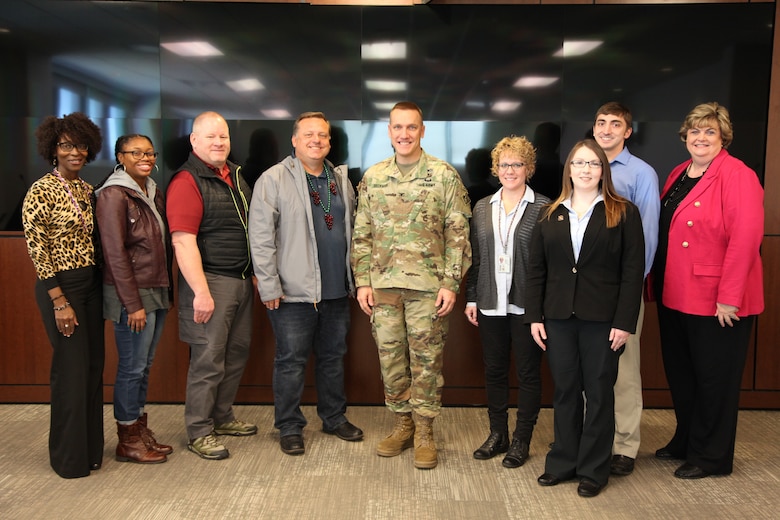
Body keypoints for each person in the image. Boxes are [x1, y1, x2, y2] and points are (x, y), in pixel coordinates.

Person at [351, 101, 472, 470]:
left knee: (426, 362)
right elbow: (362, 233)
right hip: (383, 287)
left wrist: (451, 282)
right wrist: (361, 282)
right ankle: (402, 424)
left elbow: (458, 233)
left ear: (422, 131)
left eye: (411, 127)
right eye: (397, 127)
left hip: (427, 288)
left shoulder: (443, 175)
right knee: (391, 360)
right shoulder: (373, 177)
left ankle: (424, 431)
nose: (404, 134)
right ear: (389, 131)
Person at [652, 102, 764, 479]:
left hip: (717, 299)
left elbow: (746, 238)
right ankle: (687, 440)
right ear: (685, 136)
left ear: (723, 137)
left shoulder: (738, 175)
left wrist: (729, 296)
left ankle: (711, 456)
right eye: (695, 131)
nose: (701, 138)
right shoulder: (679, 172)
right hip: (676, 293)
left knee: (714, 380)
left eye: (709, 132)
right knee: (684, 376)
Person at [527, 139, 644, 497]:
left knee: (598, 393)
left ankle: (594, 469)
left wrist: (624, 323)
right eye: (579, 163)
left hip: (604, 322)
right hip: (559, 318)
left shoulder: (622, 212)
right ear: (569, 169)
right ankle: (563, 462)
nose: (586, 169)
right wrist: (535, 316)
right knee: (564, 392)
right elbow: (536, 271)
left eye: (593, 163)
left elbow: (632, 272)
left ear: (602, 170)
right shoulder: (551, 213)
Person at [249, 112, 363, 456]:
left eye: (323, 136)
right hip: (291, 294)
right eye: (309, 135)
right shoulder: (272, 179)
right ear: (295, 140)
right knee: (291, 361)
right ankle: (289, 425)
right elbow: (260, 238)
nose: (317, 140)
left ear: (330, 142)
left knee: (333, 358)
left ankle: (333, 417)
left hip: (336, 290)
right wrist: (268, 286)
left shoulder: (339, 180)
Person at [166, 111, 256, 460]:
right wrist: (201, 292)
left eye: (224, 137)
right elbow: (183, 242)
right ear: (194, 140)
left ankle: (222, 417)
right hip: (211, 283)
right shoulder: (187, 181)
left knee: (235, 355)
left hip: (241, 280)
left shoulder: (233, 175)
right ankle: (199, 431)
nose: (219, 143)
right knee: (208, 361)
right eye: (211, 137)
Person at [22, 112, 105, 478]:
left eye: (81, 145)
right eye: (66, 145)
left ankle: (89, 453)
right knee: (71, 372)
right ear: (52, 149)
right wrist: (59, 300)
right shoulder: (41, 190)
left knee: (91, 369)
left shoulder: (86, 190)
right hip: (62, 288)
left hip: (90, 287)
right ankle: (67, 460)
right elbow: (38, 250)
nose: (75, 152)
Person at [465, 136, 550, 468]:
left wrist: (540, 307)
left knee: (528, 374)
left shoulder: (545, 208)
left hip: (527, 307)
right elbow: (476, 257)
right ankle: (497, 434)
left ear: (528, 168)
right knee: (495, 371)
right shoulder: (482, 207)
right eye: (504, 164)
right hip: (489, 302)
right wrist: (471, 297)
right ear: (495, 169)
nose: (510, 170)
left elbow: (548, 265)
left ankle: (521, 440)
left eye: (517, 164)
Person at [592, 102, 660, 476]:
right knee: (592, 367)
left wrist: (630, 291)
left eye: (615, 124)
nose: (606, 129)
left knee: (624, 369)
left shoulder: (641, 173)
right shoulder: (585, 165)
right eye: (601, 122)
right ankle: (594, 437)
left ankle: (624, 446)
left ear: (627, 131)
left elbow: (647, 239)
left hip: (623, 289)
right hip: (587, 289)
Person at [95, 134, 172, 465]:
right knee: (131, 368)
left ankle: (139, 430)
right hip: (132, 295)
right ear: (120, 156)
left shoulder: (150, 190)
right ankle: (127, 439)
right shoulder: (113, 194)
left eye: (150, 152)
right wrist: (132, 304)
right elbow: (114, 254)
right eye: (136, 152)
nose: (145, 157)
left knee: (144, 367)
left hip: (155, 289)